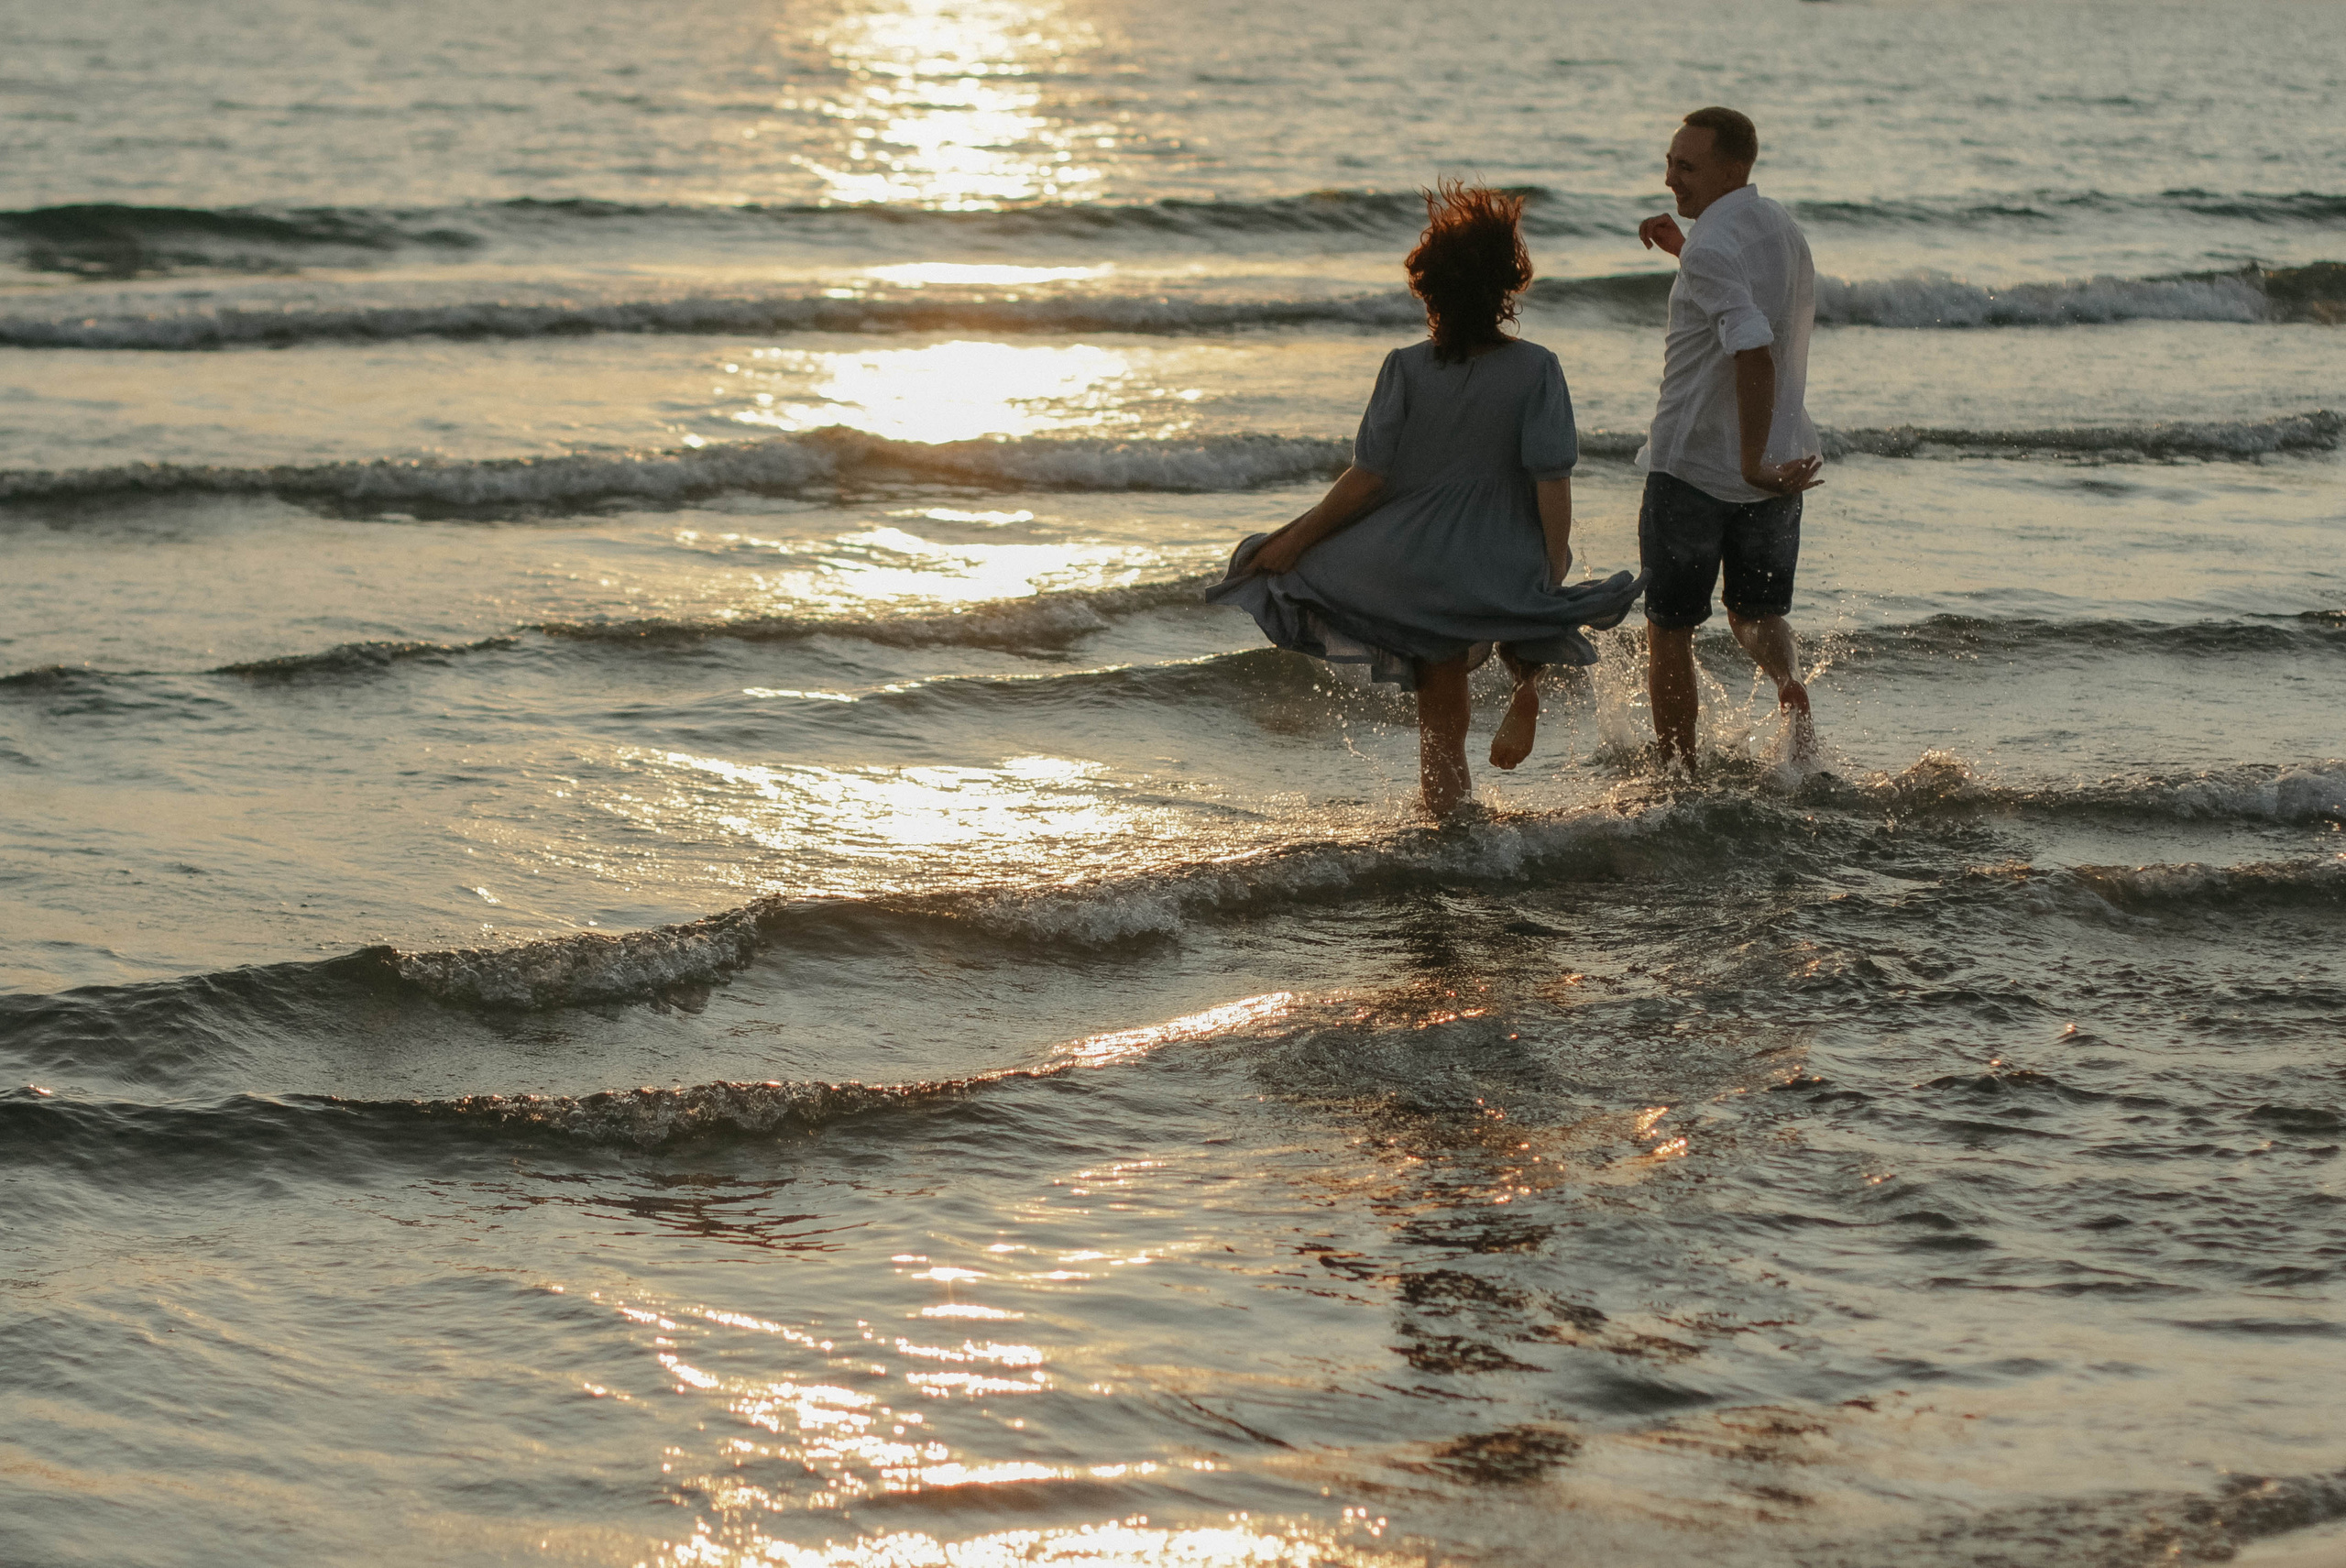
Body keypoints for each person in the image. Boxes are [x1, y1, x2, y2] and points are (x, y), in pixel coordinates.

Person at [1206, 181, 1646, 818]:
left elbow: (1369, 478)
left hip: (1419, 560)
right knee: (1528, 612)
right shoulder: (1538, 368)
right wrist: (1552, 562)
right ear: (1507, 286)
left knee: (1441, 704)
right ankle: (1528, 683)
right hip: (1500, 551)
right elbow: (1551, 476)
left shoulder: (1404, 368)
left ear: (1429, 288)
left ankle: (1448, 812)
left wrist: (1293, 540)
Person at [1633, 106, 1824, 772]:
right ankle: (1788, 688)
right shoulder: (1783, 232)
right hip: (1782, 463)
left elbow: (1750, 345)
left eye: (1686, 166)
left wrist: (1748, 463)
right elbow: (1741, 296)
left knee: (1670, 631)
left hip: (1693, 468)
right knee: (1755, 613)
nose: (1670, 179)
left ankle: (1676, 774)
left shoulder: (1712, 248)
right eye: (1670, 163)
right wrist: (1687, 255)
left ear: (1732, 169)